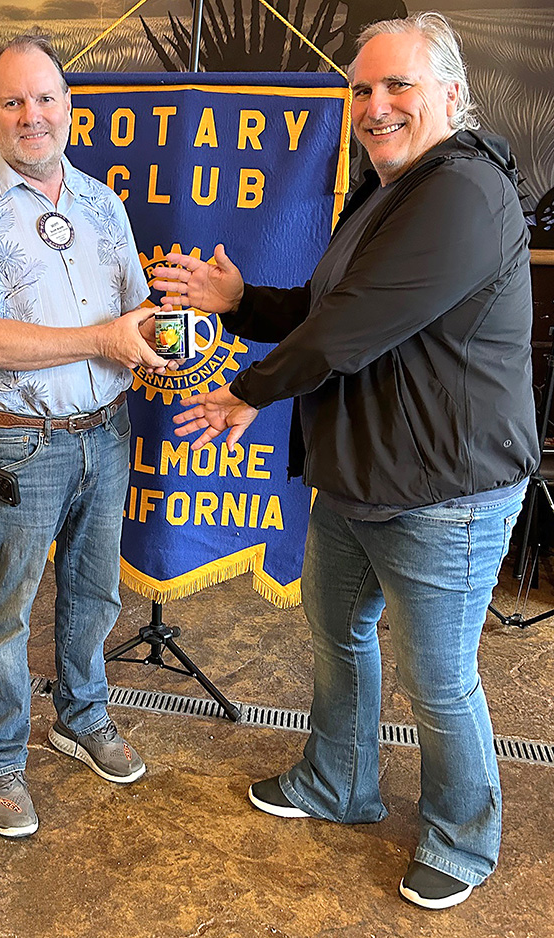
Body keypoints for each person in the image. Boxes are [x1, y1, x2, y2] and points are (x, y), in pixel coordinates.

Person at [152, 12, 539, 910]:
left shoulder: (464, 192)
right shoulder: (387, 189)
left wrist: (250, 391)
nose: (375, 105)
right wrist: (243, 300)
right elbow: (334, 306)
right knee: (338, 639)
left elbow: (353, 331)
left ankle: (462, 838)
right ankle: (337, 783)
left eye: (396, 85)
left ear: (448, 92)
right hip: (357, 478)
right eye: (361, 89)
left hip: (445, 495)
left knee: (438, 682)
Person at [0, 35, 175, 839]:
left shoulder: (104, 204)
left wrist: (172, 339)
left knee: (95, 593)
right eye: (13, 101)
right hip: (17, 444)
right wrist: (104, 340)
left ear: (68, 108)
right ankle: (0, 759)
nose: (31, 115)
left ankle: (81, 716)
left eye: (45, 99)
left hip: (106, 435)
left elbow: (135, 318)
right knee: (4, 613)